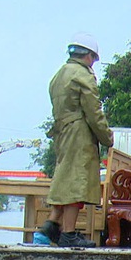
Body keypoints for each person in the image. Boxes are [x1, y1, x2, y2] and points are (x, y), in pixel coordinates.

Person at [39, 34, 114, 248]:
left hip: (62, 132)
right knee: (76, 182)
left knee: (64, 178)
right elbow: (94, 112)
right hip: (79, 134)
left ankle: (51, 226)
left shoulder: (59, 75)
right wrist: (107, 137)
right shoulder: (82, 75)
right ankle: (68, 234)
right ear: (89, 56)